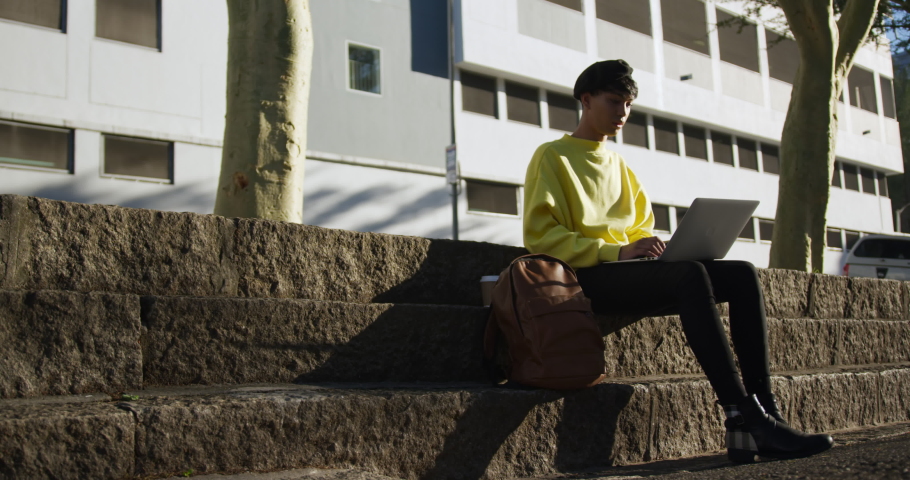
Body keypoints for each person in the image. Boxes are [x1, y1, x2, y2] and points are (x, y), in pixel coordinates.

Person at [522, 59, 834, 463]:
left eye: (629, 105)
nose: (623, 113)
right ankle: (740, 414)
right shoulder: (552, 156)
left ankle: (764, 409)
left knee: (740, 274)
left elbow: (638, 227)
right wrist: (614, 251)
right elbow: (541, 237)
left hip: (628, 272)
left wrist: (650, 247)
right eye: (614, 102)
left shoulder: (620, 166)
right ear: (586, 99)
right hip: (584, 276)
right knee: (689, 276)